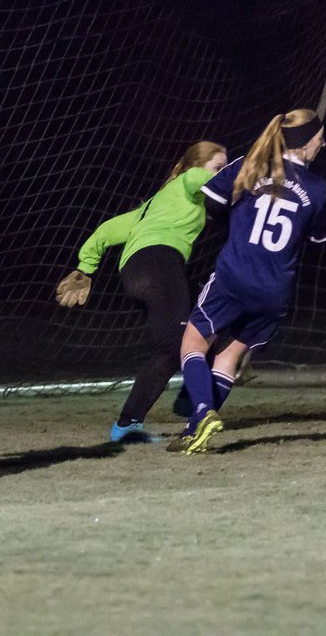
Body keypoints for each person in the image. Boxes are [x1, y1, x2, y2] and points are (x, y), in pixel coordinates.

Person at [168, 109, 326, 455]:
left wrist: (242, 214)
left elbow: (211, 200)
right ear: (304, 143)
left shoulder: (250, 165)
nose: (323, 143)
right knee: (227, 358)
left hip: (235, 277)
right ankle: (194, 432)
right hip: (275, 291)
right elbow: (318, 240)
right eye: (319, 138)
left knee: (192, 346)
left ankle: (201, 412)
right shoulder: (319, 189)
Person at [54, 140, 228, 443]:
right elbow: (198, 179)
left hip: (135, 271)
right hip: (159, 263)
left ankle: (135, 421)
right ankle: (189, 407)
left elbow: (107, 231)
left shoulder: (156, 203)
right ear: (196, 168)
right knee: (180, 345)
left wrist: (86, 268)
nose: (221, 173)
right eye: (217, 167)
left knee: (181, 342)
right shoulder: (188, 182)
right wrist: (251, 173)